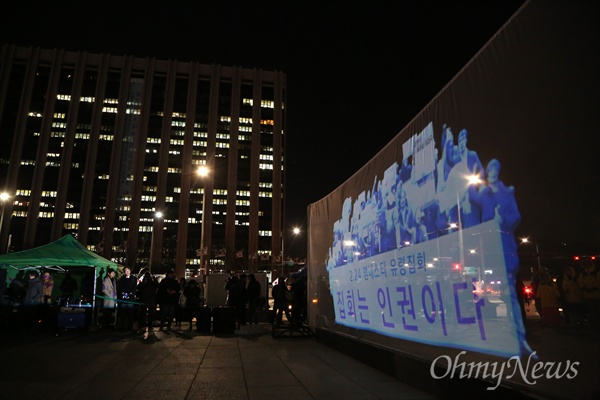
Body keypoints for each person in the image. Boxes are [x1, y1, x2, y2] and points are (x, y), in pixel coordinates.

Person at [579, 259, 600, 325]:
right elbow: (580, 281)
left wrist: (594, 288)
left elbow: (599, 281)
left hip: (596, 294)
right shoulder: (583, 273)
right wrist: (584, 288)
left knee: (597, 309)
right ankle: (594, 322)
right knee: (591, 310)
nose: (587, 266)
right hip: (587, 295)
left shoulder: (596, 272)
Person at [117, 266, 138, 330]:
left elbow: (134, 287)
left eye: (128, 270)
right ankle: (123, 326)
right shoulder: (122, 279)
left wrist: (130, 293)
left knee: (130, 312)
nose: (127, 272)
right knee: (123, 312)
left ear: (130, 271)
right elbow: (119, 287)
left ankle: (129, 326)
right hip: (123, 298)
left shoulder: (134, 278)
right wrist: (122, 292)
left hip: (130, 298)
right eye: (125, 271)